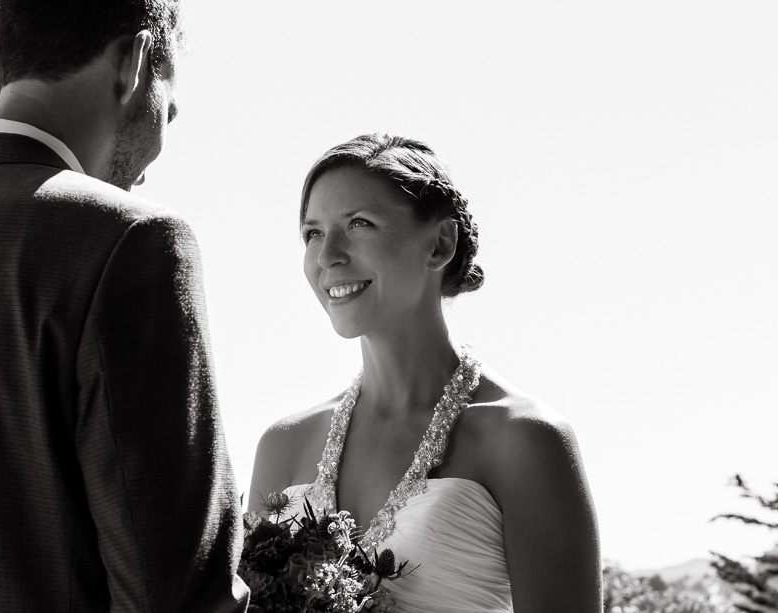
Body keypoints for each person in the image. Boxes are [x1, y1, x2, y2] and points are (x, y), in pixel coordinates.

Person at [0, 1, 248, 611]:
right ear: (135, 63)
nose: (164, 135)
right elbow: (173, 593)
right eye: (169, 106)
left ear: (0, 83)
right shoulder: (130, 242)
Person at [248, 133, 601, 612]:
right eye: (312, 232)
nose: (328, 254)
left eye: (358, 224)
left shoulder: (524, 440)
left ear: (439, 244)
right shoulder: (283, 446)